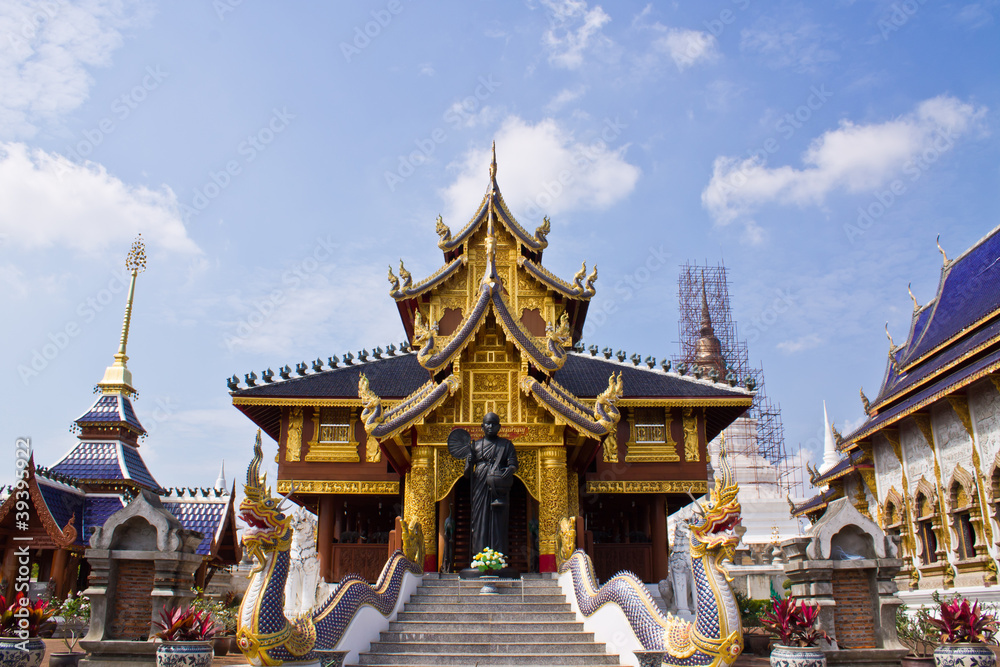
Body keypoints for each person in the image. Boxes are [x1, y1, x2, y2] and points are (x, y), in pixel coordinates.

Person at [465, 412, 518, 557]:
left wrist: (509, 469)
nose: (490, 427)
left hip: (498, 485)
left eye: (493, 424)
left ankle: (498, 555)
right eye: (487, 424)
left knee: (498, 521)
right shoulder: (475, 445)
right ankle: (479, 555)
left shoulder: (506, 445)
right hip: (480, 485)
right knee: (479, 519)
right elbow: (467, 474)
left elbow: (513, 463)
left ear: (499, 427)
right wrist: (469, 463)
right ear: (482, 426)